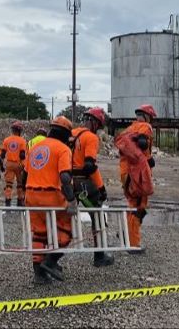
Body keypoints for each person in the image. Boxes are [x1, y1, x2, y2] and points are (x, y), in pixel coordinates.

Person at [22, 116, 77, 284]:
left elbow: (25, 174)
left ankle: (39, 274)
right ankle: (50, 262)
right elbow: (65, 176)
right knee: (66, 231)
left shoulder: (35, 147)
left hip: (31, 194)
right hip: (51, 196)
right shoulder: (63, 149)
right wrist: (71, 200)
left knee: (39, 234)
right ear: (66, 134)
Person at [71, 107, 114, 267]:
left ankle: (51, 259)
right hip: (84, 183)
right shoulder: (91, 138)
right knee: (97, 217)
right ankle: (99, 256)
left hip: (69, 181)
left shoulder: (72, 133)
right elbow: (90, 166)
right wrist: (101, 188)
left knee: (63, 218)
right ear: (95, 123)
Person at [116, 104, 157, 253]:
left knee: (132, 203)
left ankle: (125, 233)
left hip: (125, 173)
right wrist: (147, 160)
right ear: (147, 117)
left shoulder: (129, 129)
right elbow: (142, 143)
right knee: (138, 207)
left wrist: (149, 158)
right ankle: (133, 244)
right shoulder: (145, 126)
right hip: (136, 174)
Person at [2, 121, 27, 206]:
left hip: (9, 164)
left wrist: (2, 164)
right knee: (20, 184)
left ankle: (8, 201)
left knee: (9, 184)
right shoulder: (22, 141)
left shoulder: (6, 140)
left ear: (12, 130)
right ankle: (20, 201)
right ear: (19, 131)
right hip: (19, 164)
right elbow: (22, 155)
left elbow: (2, 154)